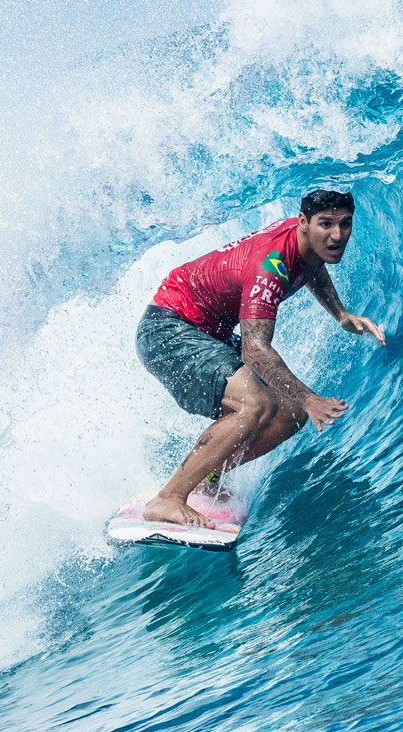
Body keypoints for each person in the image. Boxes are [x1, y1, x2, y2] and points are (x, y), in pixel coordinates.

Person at [135, 188, 386, 528]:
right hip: (168, 329)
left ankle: (207, 477)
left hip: (205, 333)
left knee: (290, 412)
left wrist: (340, 313)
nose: (337, 235)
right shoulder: (269, 266)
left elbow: (312, 264)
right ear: (303, 223)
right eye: (326, 224)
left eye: (345, 224)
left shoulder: (303, 241)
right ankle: (168, 499)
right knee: (256, 405)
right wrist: (310, 397)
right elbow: (255, 349)